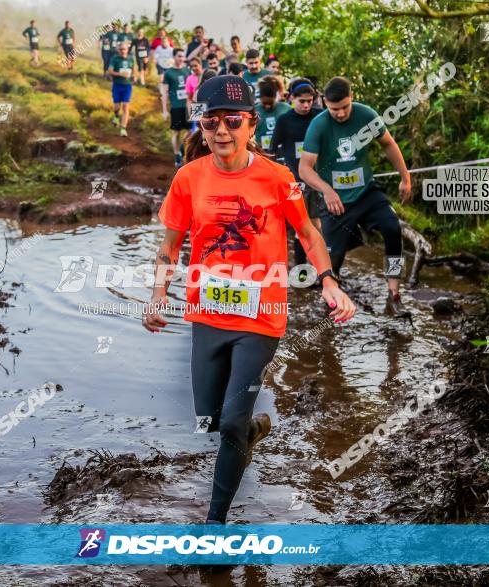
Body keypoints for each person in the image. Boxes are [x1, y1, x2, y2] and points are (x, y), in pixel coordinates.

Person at [142, 75, 356, 526]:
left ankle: (214, 523)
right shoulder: (188, 179)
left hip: (262, 316)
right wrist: (158, 293)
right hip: (207, 313)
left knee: (232, 420)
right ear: (201, 127)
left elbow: (309, 234)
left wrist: (329, 282)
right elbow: (170, 246)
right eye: (211, 122)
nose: (222, 131)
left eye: (232, 121)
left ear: (251, 125)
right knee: (210, 420)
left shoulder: (279, 179)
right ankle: (253, 429)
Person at [299, 76, 412, 316]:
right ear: (324, 103)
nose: (340, 114)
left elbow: (388, 144)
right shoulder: (319, 125)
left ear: (352, 98)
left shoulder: (366, 115)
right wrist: (327, 190)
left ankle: (394, 292)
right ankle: (329, 305)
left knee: (393, 228)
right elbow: (305, 168)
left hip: (365, 193)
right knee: (332, 260)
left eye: (344, 107)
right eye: (334, 109)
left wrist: (405, 177)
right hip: (335, 201)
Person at [270, 78, 325, 280]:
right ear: (292, 98)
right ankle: (301, 271)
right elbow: (272, 150)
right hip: (293, 181)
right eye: (302, 101)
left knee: (317, 225)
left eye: (310, 101)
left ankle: (320, 270)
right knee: (299, 226)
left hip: (317, 179)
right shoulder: (284, 121)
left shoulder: (320, 117)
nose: (306, 105)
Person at [161, 49, 191, 167]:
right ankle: (177, 154)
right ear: (174, 57)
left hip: (188, 107)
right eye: (179, 56)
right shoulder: (168, 73)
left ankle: (183, 149)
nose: (181, 59)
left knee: (190, 132)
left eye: (183, 56)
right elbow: (165, 93)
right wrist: (164, 110)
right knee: (176, 133)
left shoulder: (187, 71)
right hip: (176, 107)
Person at [255, 76, 291, 155]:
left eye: (271, 103)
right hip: (261, 152)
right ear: (260, 98)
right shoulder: (254, 110)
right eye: (264, 104)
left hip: (283, 152)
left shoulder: (286, 109)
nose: (268, 107)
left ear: (276, 97)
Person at [108, 42, 135, 137]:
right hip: (117, 85)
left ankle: (123, 128)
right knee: (116, 107)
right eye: (121, 49)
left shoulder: (131, 59)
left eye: (125, 49)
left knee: (125, 107)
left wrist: (134, 77)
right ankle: (116, 116)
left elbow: (134, 70)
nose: (123, 51)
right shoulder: (115, 59)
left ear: (127, 50)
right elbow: (110, 71)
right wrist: (120, 74)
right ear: (118, 50)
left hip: (127, 86)